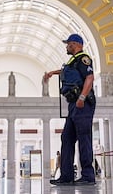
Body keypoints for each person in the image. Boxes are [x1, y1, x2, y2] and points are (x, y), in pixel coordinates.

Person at [43, 33, 96, 186]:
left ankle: (88, 175)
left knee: (84, 137)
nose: (66, 46)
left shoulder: (83, 58)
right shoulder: (72, 61)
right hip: (73, 105)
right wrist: (53, 73)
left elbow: (89, 77)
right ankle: (66, 176)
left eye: (68, 44)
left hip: (82, 103)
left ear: (75, 44)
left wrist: (82, 97)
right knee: (66, 138)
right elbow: (68, 71)